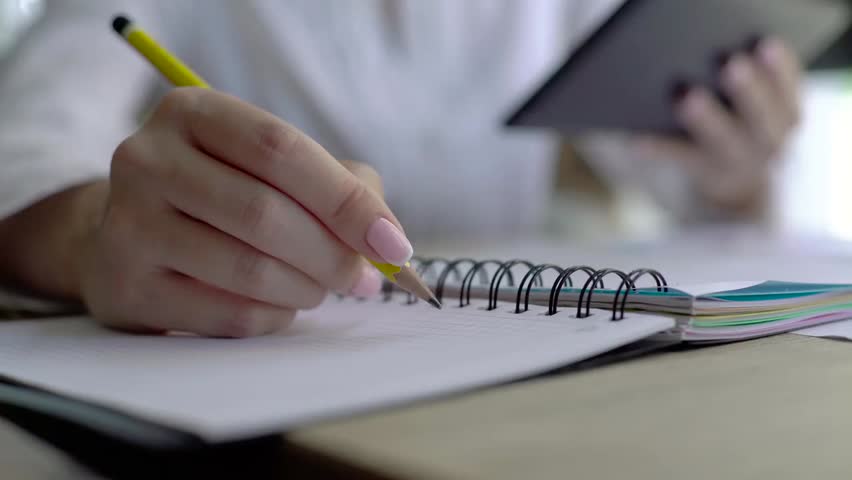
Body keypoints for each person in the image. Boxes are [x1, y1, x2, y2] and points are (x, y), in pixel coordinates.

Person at [0, 0, 801, 337]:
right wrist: (89, 234)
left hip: (529, 382)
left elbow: (674, 173)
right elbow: (22, 142)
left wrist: (734, 164)